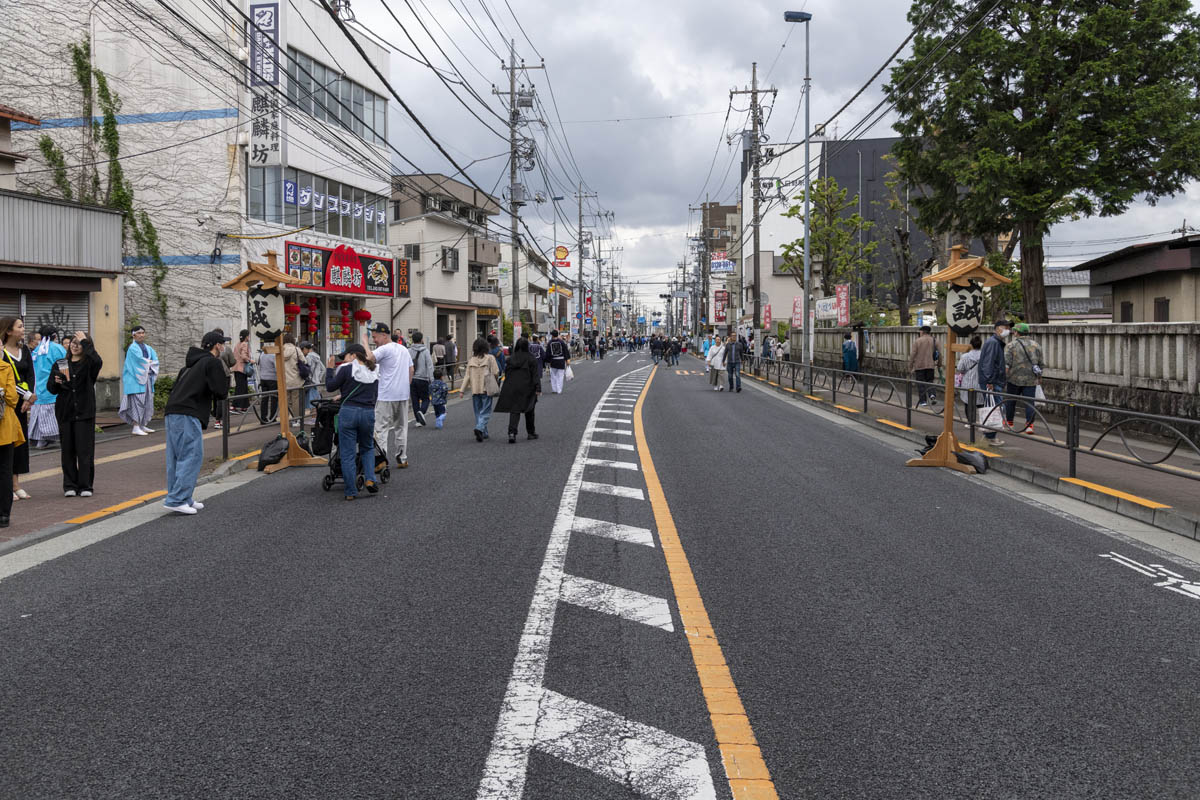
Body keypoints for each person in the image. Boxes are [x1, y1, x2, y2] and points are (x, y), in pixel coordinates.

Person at [162, 331, 230, 515]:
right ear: (217, 346)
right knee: (192, 455)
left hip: (173, 411)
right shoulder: (212, 362)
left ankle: (182, 497)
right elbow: (221, 391)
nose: (224, 347)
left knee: (176, 457)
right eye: (222, 344)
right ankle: (176, 499)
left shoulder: (189, 366)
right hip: (188, 412)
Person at [47, 330, 103, 496]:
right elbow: (50, 389)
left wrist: (85, 341)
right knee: (67, 450)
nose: (75, 345)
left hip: (84, 411)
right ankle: (70, 485)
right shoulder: (61, 363)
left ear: (86, 345)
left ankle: (85, 486)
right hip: (65, 411)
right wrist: (56, 382)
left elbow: (98, 361)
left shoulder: (89, 364)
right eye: (73, 342)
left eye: (78, 343)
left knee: (84, 450)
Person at [325, 343, 380, 500]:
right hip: (368, 412)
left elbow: (330, 387)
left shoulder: (346, 369)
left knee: (348, 453)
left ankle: (350, 491)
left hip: (348, 412)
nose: (344, 359)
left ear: (354, 355)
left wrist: (329, 369)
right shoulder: (374, 369)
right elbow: (374, 394)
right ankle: (370, 479)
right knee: (367, 447)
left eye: (346, 356)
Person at [367, 322, 413, 470]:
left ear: (384, 335)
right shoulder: (403, 349)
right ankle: (402, 458)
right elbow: (411, 369)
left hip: (386, 395)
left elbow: (370, 359)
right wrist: (406, 384)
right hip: (403, 394)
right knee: (401, 427)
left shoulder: (384, 349)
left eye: (375, 337)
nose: (374, 340)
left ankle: (381, 460)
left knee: (381, 428)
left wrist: (363, 342)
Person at [1, 317, 35, 501]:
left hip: (22, 405)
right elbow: (8, 381)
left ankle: (16, 484)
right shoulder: (2, 352)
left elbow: (30, 374)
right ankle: (7, 486)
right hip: (7, 405)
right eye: (19, 326)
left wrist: (29, 398)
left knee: (20, 444)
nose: (23, 329)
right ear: (8, 330)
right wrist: (26, 395)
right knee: (6, 445)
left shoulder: (25, 350)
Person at [956, 334, 1002, 446]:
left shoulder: (965, 356)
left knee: (968, 403)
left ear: (971, 345)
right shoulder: (984, 355)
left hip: (968, 383)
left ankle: (970, 422)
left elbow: (960, 368)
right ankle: (983, 422)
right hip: (981, 382)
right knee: (982, 404)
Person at [496, 337, 541, 443]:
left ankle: (512, 433)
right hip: (527, 386)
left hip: (512, 386)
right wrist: (538, 388)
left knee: (514, 410)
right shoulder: (531, 358)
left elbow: (506, 373)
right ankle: (531, 433)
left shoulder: (511, 358)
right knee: (529, 410)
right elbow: (535, 375)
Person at [29, 325, 66, 449]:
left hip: (38, 388)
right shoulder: (58, 348)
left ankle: (41, 440)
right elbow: (64, 367)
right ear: (55, 336)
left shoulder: (36, 350)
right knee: (55, 416)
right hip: (53, 388)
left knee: (41, 415)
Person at [1004, 322, 1044, 434]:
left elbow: (1007, 364)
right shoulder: (1036, 345)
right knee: (1030, 402)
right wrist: (1039, 377)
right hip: (1031, 379)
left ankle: (1009, 423)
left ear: (1016, 332)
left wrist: (1004, 378)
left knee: (1011, 401)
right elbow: (1041, 364)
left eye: (1014, 331)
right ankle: (1029, 425)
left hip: (1013, 379)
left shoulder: (1011, 345)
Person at [0, 350, 26, 527]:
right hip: (5, 427)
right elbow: (12, 398)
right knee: (4, 471)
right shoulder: (6, 367)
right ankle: (3, 515)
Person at [119, 325, 159, 436]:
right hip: (135, 380)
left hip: (146, 379)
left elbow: (155, 361)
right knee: (137, 403)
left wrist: (149, 363)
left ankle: (142, 425)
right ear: (134, 335)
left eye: (143, 333)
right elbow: (139, 362)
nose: (141, 335)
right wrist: (149, 363)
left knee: (147, 401)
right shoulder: (132, 348)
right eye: (139, 333)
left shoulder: (148, 348)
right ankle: (136, 426)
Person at [461, 337, 500, 442]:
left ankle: (484, 432)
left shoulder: (471, 360)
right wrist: (495, 381)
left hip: (475, 390)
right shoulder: (490, 358)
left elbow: (467, 376)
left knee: (478, 412)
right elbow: (496, 372)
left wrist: (462, 390)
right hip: (486, 389)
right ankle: (479, 428)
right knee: (486, 411)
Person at [977, 320, 1010, 439]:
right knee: (996, 408)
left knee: (994, 408)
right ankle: (990, 436)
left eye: (1008, 328)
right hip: (992, 381)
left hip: (993, 380)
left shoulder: (996, 342)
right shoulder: (993, 343)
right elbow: (988, 363)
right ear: (996, 329)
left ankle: (989, 435)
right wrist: (989, 380)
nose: (1007, 330)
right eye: (1004, 327)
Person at [908, 325, 939, 407]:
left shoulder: (918, 341)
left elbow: (912, 355)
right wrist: (939, 364)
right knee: (930, 381)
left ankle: (923, 401)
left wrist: (910, 366)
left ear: (922, 332)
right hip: (930, 365)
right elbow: (940, 354)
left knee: (921, 383)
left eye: (920, 331)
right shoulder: (934, 340)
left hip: (919, 366)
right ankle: (932, 394)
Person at [408, 331, 434, 426]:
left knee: (415, 400)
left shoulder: (408, 351)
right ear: (421, 339)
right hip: (423, 379)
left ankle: (418, 421)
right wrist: (432, 379)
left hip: (412, 379)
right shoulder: (425, 351)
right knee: (426, 399)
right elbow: (430, 366)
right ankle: (421, 412)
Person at [280, 333, 304, 425]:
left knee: (285, 400)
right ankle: (296, 419)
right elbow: (304, 361)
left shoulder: (281, 349)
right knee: (295, 400)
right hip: (295, 379)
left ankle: (284, 420)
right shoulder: (296, 350)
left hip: (283, 379)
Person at [300, 341, 326, 416]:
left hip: (310, 382)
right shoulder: (317, 357)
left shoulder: (308, 357)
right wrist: (319, 378)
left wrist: (310, 377)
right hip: (316, 382)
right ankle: (314, 418)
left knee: (311, 401)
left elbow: (308, 369)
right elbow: (323, 369)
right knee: (315, 400)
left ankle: (313, 418)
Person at [256, 345, 278, 422]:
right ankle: (273, 417)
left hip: (263, 379)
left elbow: (259, 366)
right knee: (274, 399)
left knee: (264, 399)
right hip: (272, 379)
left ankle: (263, 418)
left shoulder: (261, 355)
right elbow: (276, 368)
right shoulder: (273, 355)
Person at [231, 329, 251, 413]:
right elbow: (243, 356)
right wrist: (250, 360)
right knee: (241, 388)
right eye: (248, 335)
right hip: (241, 368)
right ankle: (234, 406)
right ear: (246, 336)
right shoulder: (244, 344)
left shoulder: (237, 344)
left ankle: (244, 406)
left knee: (241, 387)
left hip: (236, 368)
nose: (249, 337)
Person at [545, 329, 570, 394]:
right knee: (560, 376)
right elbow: (565, 351)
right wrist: (567, 359)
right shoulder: (561, 342)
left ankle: (554, 389)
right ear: (558, 334)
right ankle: (559, 390)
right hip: (561, 360)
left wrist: (548, 361)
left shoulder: (550, 343)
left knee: (553, 376)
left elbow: (547, 353)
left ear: (552, 335)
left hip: (553, 361)